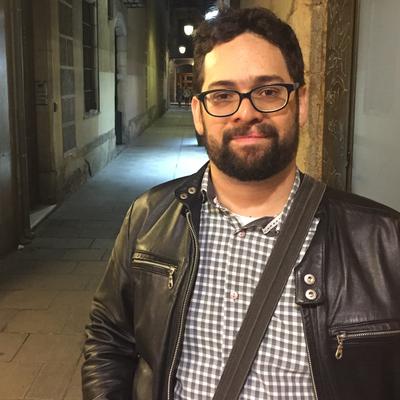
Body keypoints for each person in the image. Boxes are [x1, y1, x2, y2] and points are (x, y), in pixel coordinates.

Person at [82, 7, 400, 400]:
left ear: (300, 103)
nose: (246, 112)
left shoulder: (384, 242)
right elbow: (108, 336)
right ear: (199, 114)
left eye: (268, 92)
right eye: (222, 95)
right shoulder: (149, 217)